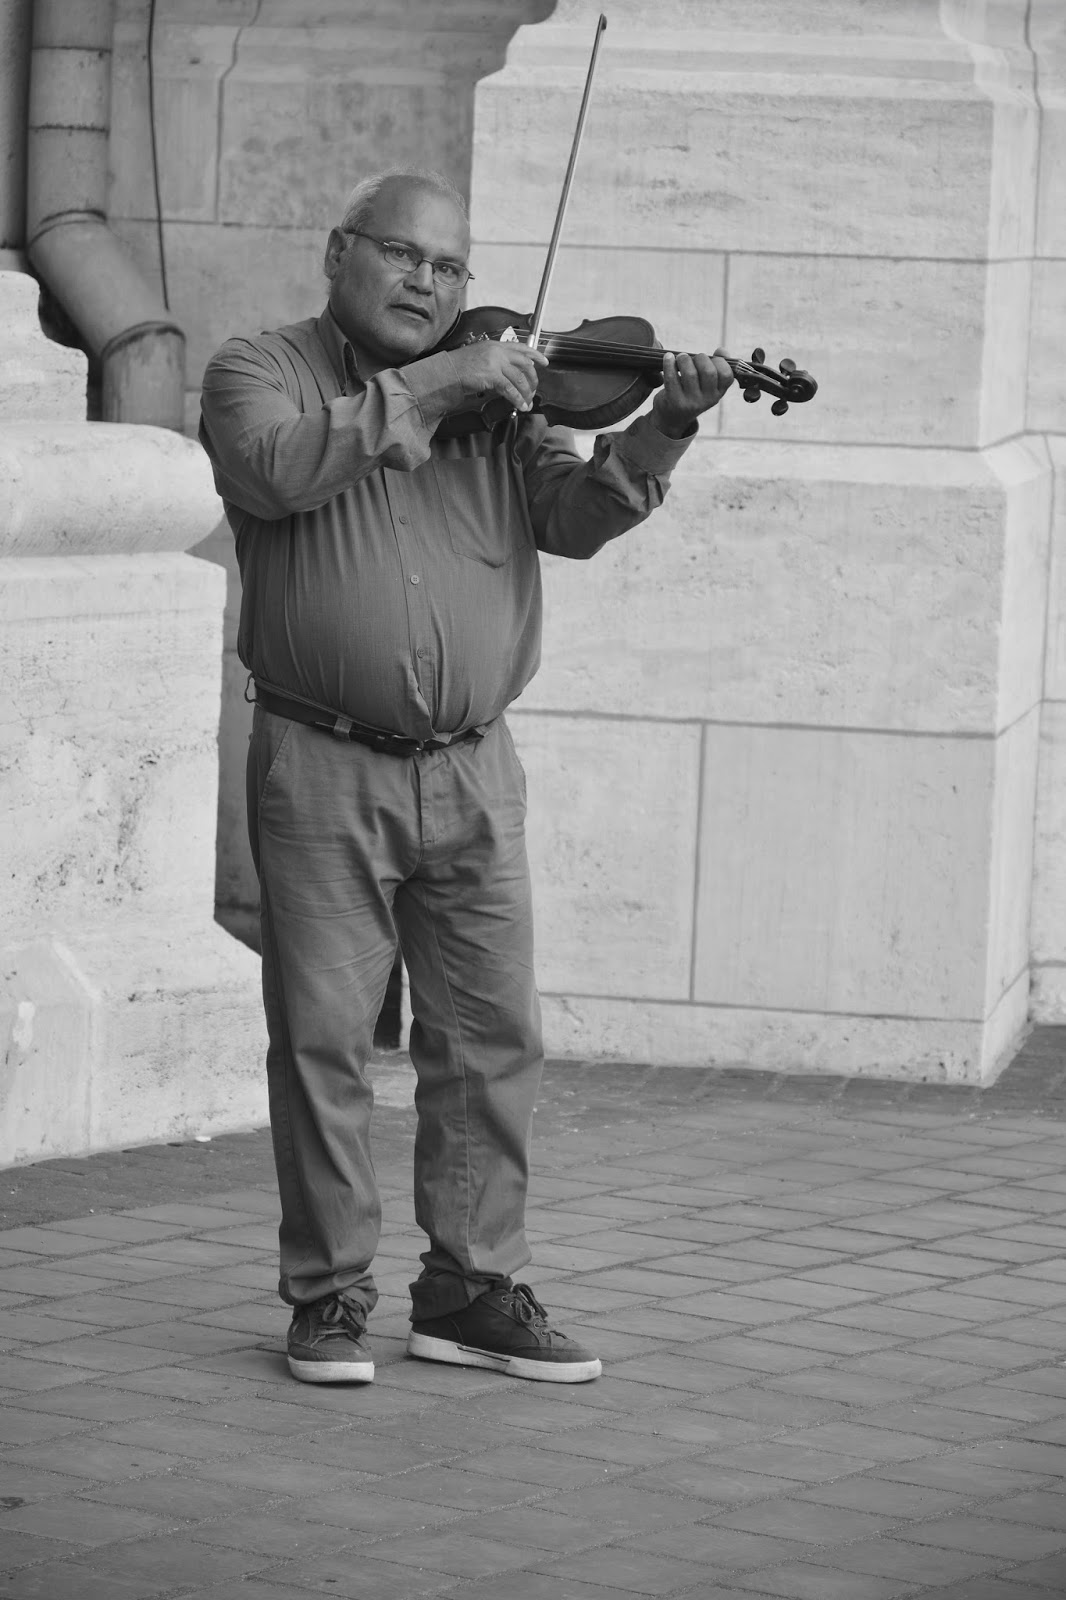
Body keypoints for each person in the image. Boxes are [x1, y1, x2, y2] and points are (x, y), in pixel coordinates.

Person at [199, 166, 733, 1389]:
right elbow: (276, 472)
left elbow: (581, 516)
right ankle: (330, 1298)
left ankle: (469, 1289)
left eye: (449, 269)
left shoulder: (507, 396)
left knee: (492, 1037)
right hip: (321, 761)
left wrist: (666, 423)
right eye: (403, 256)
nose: (428, 284)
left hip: (476, 769)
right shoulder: (258, 370)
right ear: (341, 251)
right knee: (324, 1040)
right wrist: (435, 384)